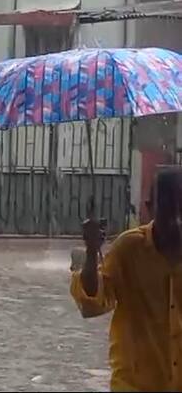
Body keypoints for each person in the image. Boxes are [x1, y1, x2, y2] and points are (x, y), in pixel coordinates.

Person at [71, 166, 182, 391]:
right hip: (134, 384)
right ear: (150, 209)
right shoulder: (128, 248)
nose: (176, 220)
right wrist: (92, 251)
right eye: (168, 210)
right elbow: (91, 304)